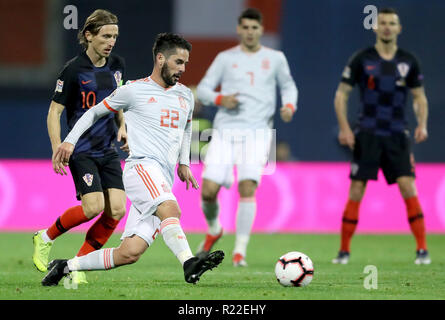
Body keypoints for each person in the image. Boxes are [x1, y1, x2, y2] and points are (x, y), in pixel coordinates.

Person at [41, 33, 224, 287]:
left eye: (185, 63)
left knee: (130, 252)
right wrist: (69, 141)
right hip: (141, 168)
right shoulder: (134, 90)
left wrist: (184, 162)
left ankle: (65, 266)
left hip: (164, 175)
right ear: (160, 59)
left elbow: (186, 129)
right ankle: (189, 262)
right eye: (178, 62)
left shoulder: (185, 95)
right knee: (171, 210)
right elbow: (94, 112)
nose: (183, 69)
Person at [196, 8, 298, 267]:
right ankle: (214, 228)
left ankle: (240, 250)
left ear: (261, 30)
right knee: (208, 191)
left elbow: (288, 86)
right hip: (225, 131)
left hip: (259, 133)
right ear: (239, 30)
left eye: (255, 28)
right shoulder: (225, 58)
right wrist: (221, 99)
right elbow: (204, 89)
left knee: (247, 187)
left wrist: (289, 105)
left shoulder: (275, 58)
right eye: (246, 27)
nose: (250, 32)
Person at [32, 9, 128, 284]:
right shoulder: (73, 69)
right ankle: (44, 236)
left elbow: (118, 101)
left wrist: (123, 126)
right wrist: (57, 147)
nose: (111, 42)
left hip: (107, 149)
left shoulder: (117, 65)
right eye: (106, 36)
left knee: (117, 210)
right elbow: (54, 112)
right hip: (81, 149)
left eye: (115, 36)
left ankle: (78, 266)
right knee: (93, 207)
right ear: (89, 35)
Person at [332, 8, 430, 265]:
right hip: (368, 133)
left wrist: (422, 123)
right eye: (382, 23)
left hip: (397, 133)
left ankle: (422, 249)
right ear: (375, 27)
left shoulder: (409, 61)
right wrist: (344, 127)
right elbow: (342, 94)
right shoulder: (362, 59)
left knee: (408, 186)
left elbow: (419, 97)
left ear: (399, 29)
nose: (387, 27)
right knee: (356, 189)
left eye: (392, 23)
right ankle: (343, 251)